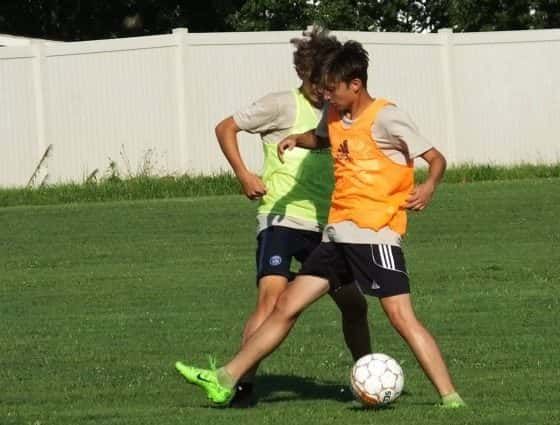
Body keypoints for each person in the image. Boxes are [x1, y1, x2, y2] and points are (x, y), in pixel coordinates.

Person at [176, 40, 465, 409]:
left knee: (400, 317)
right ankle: (224, 379)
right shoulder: (334, 115)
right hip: (335, 237)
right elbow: (323, 138)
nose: (326, 94)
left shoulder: (387, 116)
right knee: (286, 307)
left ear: (355, 85)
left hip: (374, 236)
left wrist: (428, 186)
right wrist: (299, 138)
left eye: (333, 88)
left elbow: (435, 158)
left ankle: (450, 397)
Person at [210, 28, 371, 407]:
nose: (323, 89)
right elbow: (225, 127)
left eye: (328, 82)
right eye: (316, 82)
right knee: (271, 301)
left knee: (354, 305)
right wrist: (244, 174)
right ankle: (241, 387)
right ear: (302, 75)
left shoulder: (339, 112)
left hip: (326, 226)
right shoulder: (280, 105)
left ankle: (368, 376)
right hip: (280, 219)